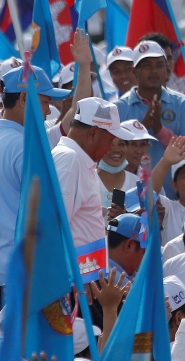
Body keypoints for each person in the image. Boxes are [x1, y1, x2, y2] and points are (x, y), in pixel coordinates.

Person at [0, 66, 70, 315]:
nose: (47, 111)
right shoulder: (27, 146)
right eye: (45, 102)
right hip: (26, 274)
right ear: (24, 98)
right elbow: (43, 216)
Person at [114, 40, 185, 196]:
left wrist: (159, 129)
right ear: (134, 71)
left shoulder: (183, 104)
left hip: (174, 199)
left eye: (159, 65)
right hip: (132, 199)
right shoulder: (118, 108)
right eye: (147, 65)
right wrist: (144, 128)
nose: (154, 71)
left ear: (167, 69)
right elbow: (113, 154)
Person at [53, 97, 136, 252]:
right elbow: (54, 225)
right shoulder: (70, 159)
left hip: (85, 270)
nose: (111, 149)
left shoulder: (78, 160)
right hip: (75, 272)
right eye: (110, 141)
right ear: (93, 133)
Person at [106, 213, 146, 282]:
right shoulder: (123, 286)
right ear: (129, 245)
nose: (145, 258)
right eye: (144, 251)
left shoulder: (88, 268)